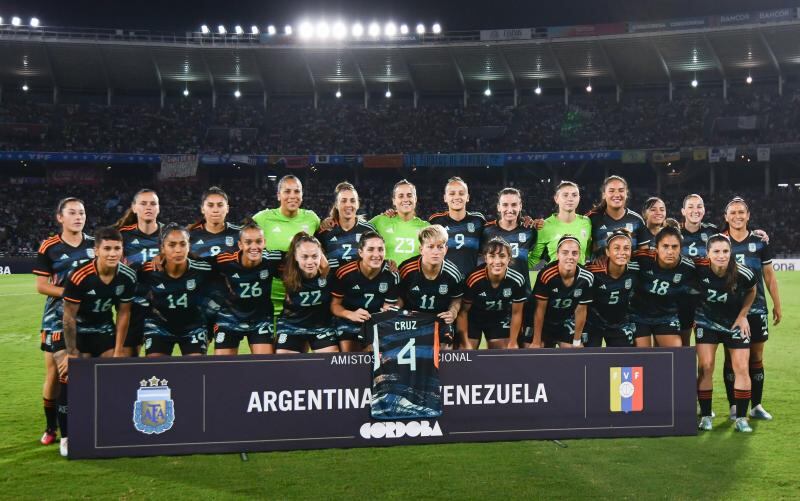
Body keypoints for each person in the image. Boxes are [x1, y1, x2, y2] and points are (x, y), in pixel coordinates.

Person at [58, 227, 137, 456]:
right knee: (68, 374)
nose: (112, 253)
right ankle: (66, 435)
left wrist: (119, 350)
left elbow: (123, 313)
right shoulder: (80, 275)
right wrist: (71, 352)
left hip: (103, 329)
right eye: (107, 249)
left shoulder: (127, 276)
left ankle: (108, 427)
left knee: (113, 372)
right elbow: (69, 316)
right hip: (76, 330)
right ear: (96, 251)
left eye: (117, 248)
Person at [32, 197, 94, 453]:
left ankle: (80, 423)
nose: (78, 217)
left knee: (85, 372)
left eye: (81, 212)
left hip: (89, 319)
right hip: (56, 318)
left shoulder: (94, 245)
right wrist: (72, 292)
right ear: (60, 217)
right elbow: (42, 286)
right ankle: (51, 428)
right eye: (72, 212)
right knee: (56, 374)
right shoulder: (50, 247)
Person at [723, 197, 781, 421]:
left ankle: (756, 405)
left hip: (757, 309)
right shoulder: (719, 242)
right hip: (729, 311)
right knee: (731, 358)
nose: (737, 216)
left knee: (756, 357)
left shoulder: (760, 242)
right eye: (733, 212)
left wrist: (777, 303)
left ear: (748, 216)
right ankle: (734, 406)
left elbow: (769, 276)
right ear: (726, 217)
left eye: (741, 212)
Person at [694, 234, 757, 433]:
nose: (721, 256)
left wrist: (743, 315)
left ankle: (740, 418)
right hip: (707, 322)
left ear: (731, 252)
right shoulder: (698, 270)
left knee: (741, 367)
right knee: (705, 367)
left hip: (734, 323)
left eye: (725, 251)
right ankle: (705, 416)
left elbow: (752, 291)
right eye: (716, 251)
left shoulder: (743, 273)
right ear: (708, 254)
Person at [138, 224, 214, 357]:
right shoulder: (148, 270)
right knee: (156, 371)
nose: (178, 250)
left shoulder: (203, 269)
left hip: (194, 327)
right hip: (159, 327)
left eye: (183, 244)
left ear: (189, 246)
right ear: (163, 248)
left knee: (196, 370)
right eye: (172, 245)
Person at [252, 175, 321, 319]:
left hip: (303, 290)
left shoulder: (312, 219)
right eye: (287, 191)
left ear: (302, 195)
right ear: (278, 195)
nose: (292, 196)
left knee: (301, 337)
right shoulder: (263, 218)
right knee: (272, 339)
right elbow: (243, 241)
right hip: (271, 290)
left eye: (297, 191)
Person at [213, 223, 283, 355]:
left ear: (265, 243)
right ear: (240, 245)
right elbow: (197, 266)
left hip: (261, 319)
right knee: (221, 367)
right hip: (229, 318)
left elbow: (300, 254)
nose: (254, 247)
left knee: (265, 366)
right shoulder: (224, 260)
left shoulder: (274, 258)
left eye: (258, 241)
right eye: (248, 242)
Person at [330, 231, 400, 352]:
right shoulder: (344, 273)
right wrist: (350, 314)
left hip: (375, 322)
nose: (376, 254)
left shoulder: (392, 275)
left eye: (380, 249)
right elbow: (334, 305)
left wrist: (388, 311)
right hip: (349, 321)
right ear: (360, 252)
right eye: (371, 249)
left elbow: (389, 306)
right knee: (351, 356)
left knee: (374, 353)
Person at [630, 224, 697, 348]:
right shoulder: (641, 259)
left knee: (675, 352)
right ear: (656, 248)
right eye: (665, 246)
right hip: (639, 315)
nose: (670, 251)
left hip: (666, 316)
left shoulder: (689, 268)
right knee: (642, 356)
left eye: (674, 247)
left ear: (681, 248)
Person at [398, 225, 464, 349]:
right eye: (430, 247)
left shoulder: (453, 273)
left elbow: (457, 298)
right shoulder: (406, 269)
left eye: (440, 247)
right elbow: (399, 295)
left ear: (446, 249)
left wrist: (452, 312)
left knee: (445, 347)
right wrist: (396, 308)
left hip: (438, 318)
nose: (436, 251)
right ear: (421, 249)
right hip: (411, 318)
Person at [458, 237, 527, 349]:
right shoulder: (473, 279)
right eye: (492, 256)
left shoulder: (517, 280)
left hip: (499, 317)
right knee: (465, 352)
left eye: (502, 256)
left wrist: (513, 342)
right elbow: (463, 312)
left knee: (504, 351)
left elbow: (517, 313)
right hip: (474, 318)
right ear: (485, 258)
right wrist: (465, 342)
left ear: (509, 258)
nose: (497, 261)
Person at [275, 233, 338, 354]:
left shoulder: (331, 273)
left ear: (321, 256)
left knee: (331, 362)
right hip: (292, 325)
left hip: (321, 326)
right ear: (295, 256)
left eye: (315, 256)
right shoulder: (284, 270)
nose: (310, 261)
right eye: (304, 257)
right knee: (283, 362)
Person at [116, 189, 162, 357]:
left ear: (158, 208)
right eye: (143, 203)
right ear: (134, 208)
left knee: (158, 362)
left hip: (162, 306)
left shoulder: (169, 235)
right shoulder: (123, 236)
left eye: (153, 203)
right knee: (128, 365)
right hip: (132, 306)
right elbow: (115, 272)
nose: (148, 207)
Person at [530, 236, 594, 348]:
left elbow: (581, 311)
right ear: (558, 254)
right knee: (533, 349)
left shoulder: (586, 277)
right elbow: (540, 310)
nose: (570, 257)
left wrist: (577, 341)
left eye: (574, 253)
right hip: (545, 322)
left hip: (566, 321)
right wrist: (536, 341)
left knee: (575, 350)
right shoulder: (546, 275)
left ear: (579, 255)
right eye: (565, 253)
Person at [585, 230, 639, 347]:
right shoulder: (592, 272)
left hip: (619, 323)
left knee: (624, 361)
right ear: (607, 252)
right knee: (589, 360)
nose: (622, 252)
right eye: (616, 248)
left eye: (626, 248)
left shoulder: (636, 270)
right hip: (593, 323)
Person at [428, 177, 486, 276]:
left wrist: (520, 223)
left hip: (471, 284)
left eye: (461, 193)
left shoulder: (478, 220)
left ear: (467, 197)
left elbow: (495, 233)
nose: (457, 197)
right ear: (445, 198)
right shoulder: (435, 222)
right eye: (452, 193)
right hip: (444, 285)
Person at [586, 175, 650, 259]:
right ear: (604, 195)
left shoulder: (637, 220)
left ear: (626, 194)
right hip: (600, 271)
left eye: (621, 190)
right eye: (611, 191)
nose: (617, 194)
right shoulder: (592, 219)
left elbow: (645, 256)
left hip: (631, 271)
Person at [316, 182, 376, 271]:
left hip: (360, 283)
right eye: (343, 201)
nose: (348, 205)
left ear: (358, 204)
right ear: (336, 205)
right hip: (333, 283)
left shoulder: (368, 230)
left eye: (352, 200)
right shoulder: (325, 231)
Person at [369, 179, 430, 265]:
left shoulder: (426, 227)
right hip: (387, 277)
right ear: (394, 200)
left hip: (414, 277)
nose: (405, 199)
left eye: (409, 195)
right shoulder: (379, 221)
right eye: (401, 196)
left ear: (415, 199)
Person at [531, 181, 592, 264]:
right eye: (565, 195)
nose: (570, 199)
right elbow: (534, 259)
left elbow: (590, 252)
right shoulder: (544, 226)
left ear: (579, 198)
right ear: (556, 199)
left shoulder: (587, 223)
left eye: (574, 195)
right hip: (555, 276)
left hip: (580, 276)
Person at [189, 186, 241, 259]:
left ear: (227, 209)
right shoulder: (190, 236)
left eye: (220, 205)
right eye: (210, 205)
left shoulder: (241, 234)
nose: (215, 210)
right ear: (202, 209)